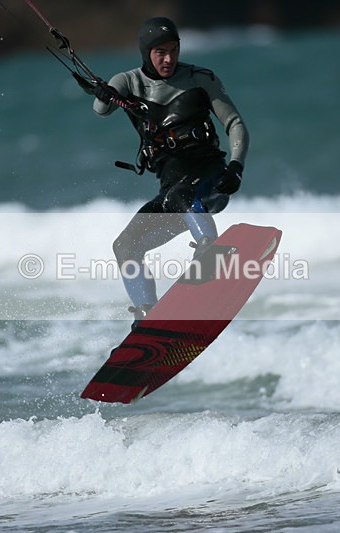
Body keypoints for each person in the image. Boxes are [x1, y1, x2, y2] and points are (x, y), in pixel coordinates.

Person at [77, 16, 249, 328]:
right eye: (160, 52)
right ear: (146, 52)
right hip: (173, 197)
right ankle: (148, 312)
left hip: (209, 180)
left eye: (174, 50)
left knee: (181, 192)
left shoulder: (200, 78)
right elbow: (101, 109)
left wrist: (236, 166)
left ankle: (210, 252)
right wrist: (102, 94)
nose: (168, 59)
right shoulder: (128, 82)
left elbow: (235, 123)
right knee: (125, 246)